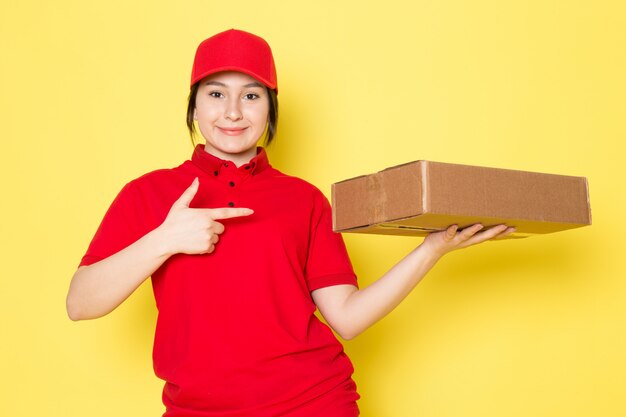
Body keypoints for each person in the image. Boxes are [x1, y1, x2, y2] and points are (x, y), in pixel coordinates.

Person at [66, 28, 515, 417]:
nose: (234, 111)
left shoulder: (304, 200)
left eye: (252, 95)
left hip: (314, 402)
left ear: (270, 109)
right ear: (195, 107)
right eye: (217, 93)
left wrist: (431, 250)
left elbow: (348, 318)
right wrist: (164, 240)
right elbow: (80, 303)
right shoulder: (148, 194)